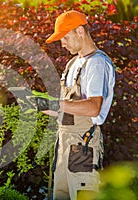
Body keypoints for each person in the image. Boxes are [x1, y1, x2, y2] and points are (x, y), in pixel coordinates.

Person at [43, 10, 116, 200]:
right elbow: (66, 109)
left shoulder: (97, 64)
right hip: (64, 146)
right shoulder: (72, 64)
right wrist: (39, 104)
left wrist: (58, 104)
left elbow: (93, 108)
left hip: (83, 149)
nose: (63, 43)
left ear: (80, 31)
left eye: (65, 37)